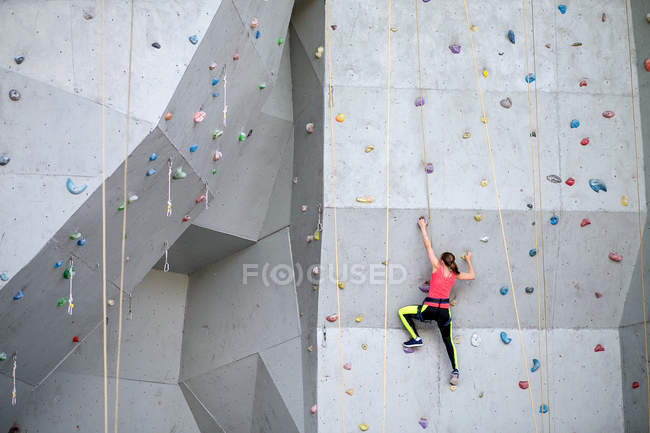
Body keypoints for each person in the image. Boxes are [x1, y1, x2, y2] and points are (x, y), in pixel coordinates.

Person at [398, 216, 475, 386]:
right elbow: (472, 276)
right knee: (448, 341)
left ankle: (415, 338)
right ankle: (455, 370)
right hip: (444, 313)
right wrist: (468, 260)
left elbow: (427, 246)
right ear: (452, 263)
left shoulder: (436, 266)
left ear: (441, 261)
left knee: (402, 312)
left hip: (429, 309)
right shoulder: (455, 274)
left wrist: (423, 227)